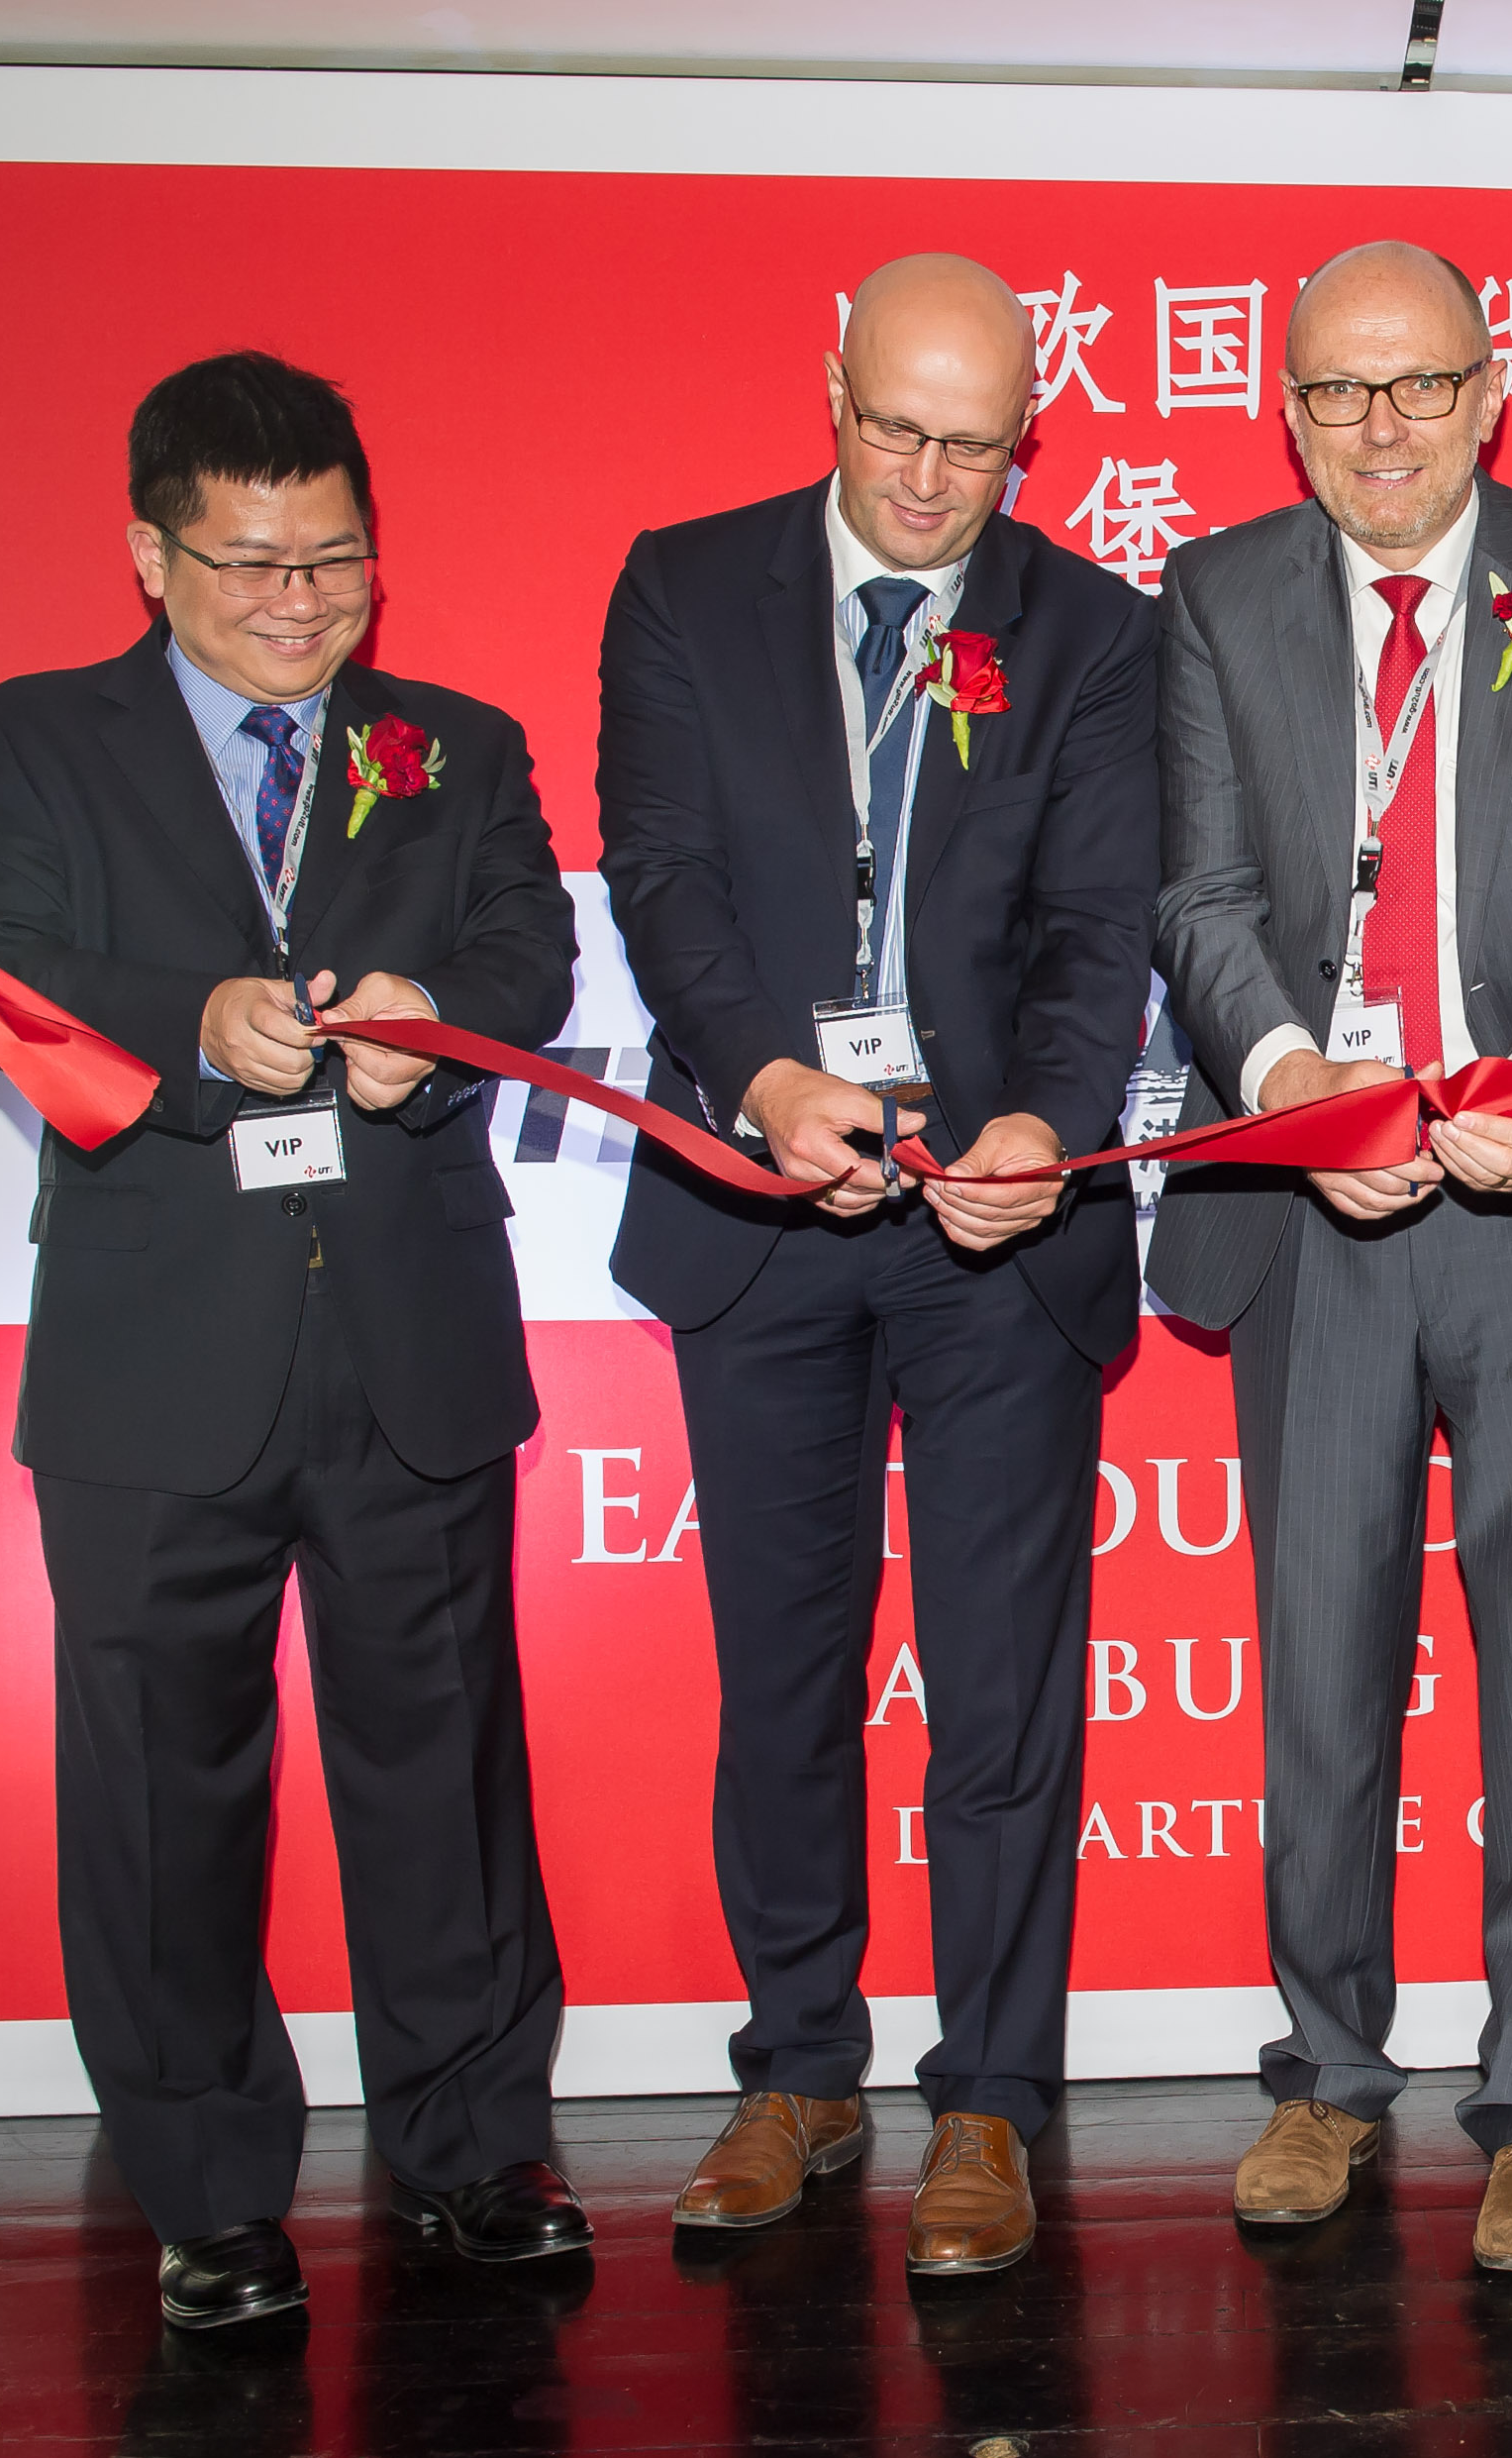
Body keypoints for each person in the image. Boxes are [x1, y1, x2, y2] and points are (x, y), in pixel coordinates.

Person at [0, 351, 584, 2330]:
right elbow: (0, 958)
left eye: (335, 564)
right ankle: (205, 2187)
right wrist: (202, 1023)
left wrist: (424, 1020)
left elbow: (530, 960)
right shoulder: (36, 742)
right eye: (250, 567)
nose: (299, 607)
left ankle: (477, 2147)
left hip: (406, 1339)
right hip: (156, 1356)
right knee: (157, 1789)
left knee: (444, 1770)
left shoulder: (453, 744)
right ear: (150, 552)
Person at [1146, 239, 1512, 2275]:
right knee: (1320, 1668)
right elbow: (1200, 891)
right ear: (1286, 409)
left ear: (1490, 392)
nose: (1375, 430)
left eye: (1414, 387)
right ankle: (1325, 2069)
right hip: (1319, 1204)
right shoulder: (1215, 597)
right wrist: (1301, 1083)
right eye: (1332, 394)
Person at [600, 254, 1158, 2272]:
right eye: (893, 428)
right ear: (824, 385)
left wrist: (1050, 1120)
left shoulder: (1092, 630)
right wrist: (759, 1076)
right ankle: (800, 2063)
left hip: (993, 1220)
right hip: (768, 1202)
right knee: (787, 1667)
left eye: (976, 443)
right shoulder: (685, 583)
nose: (928, 481)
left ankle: (993, 2096)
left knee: (1002, 1688)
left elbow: (1104, 924)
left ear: (1032, 433)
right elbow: (657, 872)